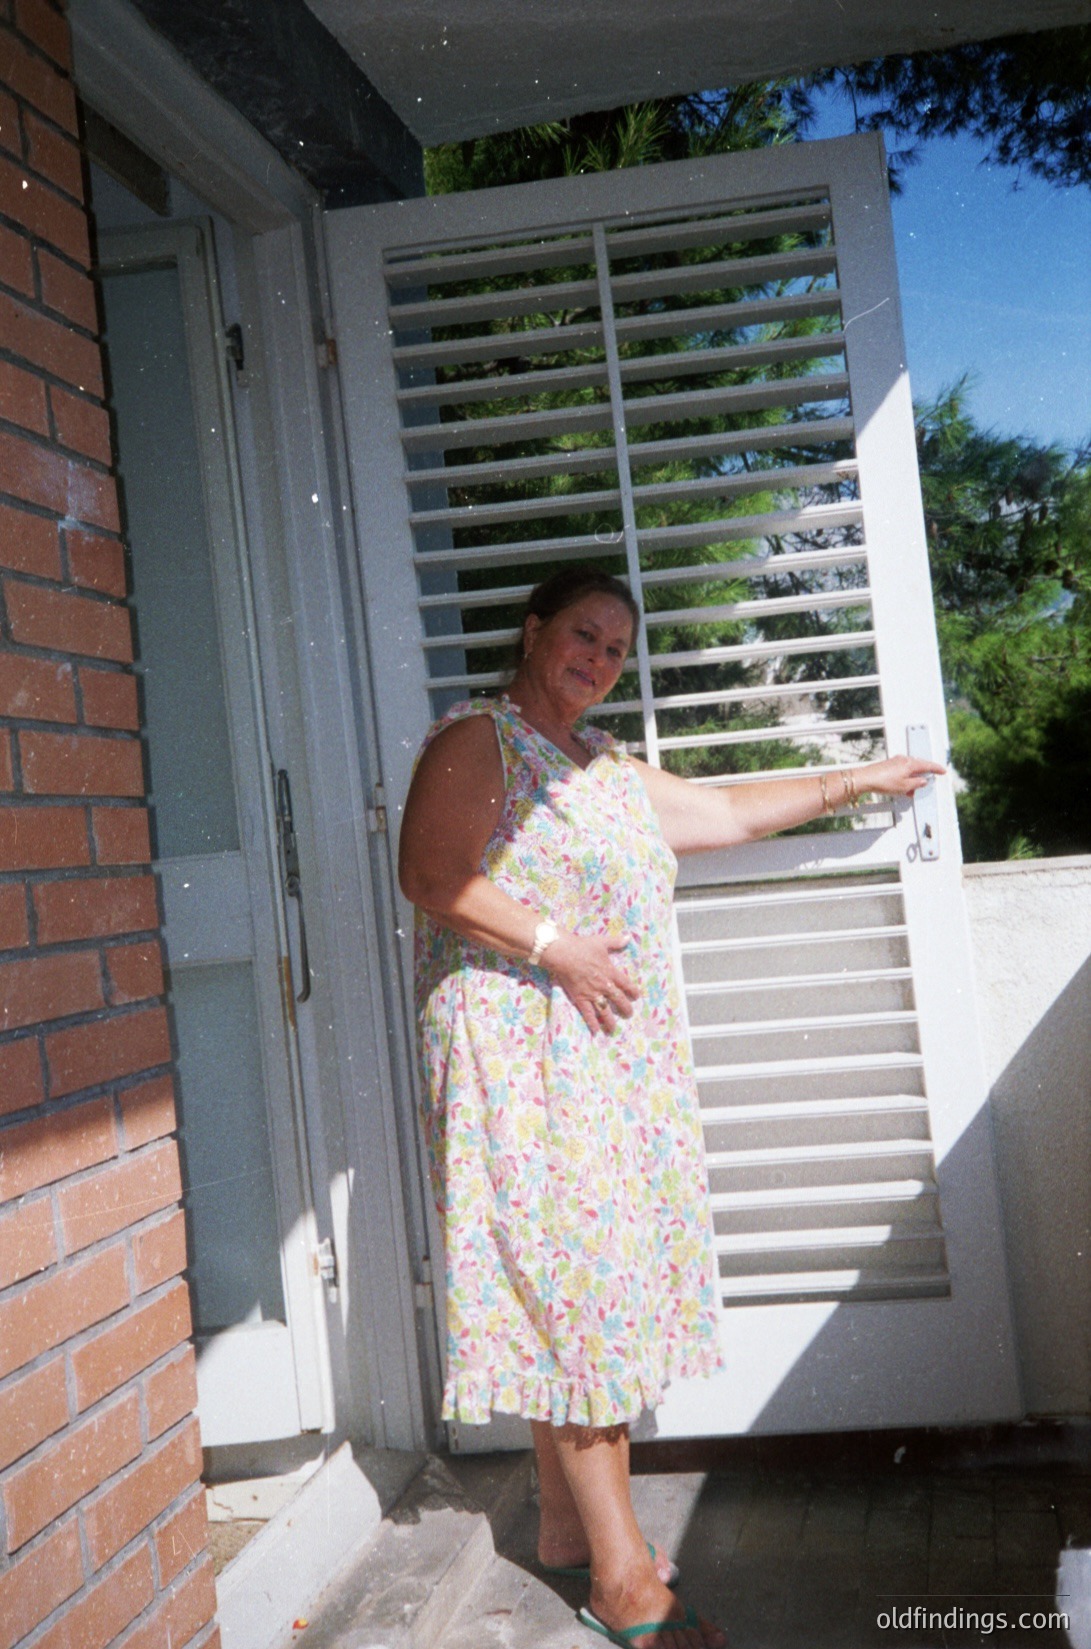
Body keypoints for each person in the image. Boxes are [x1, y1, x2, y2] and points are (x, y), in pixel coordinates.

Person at [398, 567, 943, 1649]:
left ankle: (563, 1525)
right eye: (582, 634)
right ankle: (621, 1581)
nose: (597, 658)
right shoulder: (482, 739)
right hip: (518, 1062)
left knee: (573, 1294)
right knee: (580, 1299)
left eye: (615, 647)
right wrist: (554, 943)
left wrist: (859, 781)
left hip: (594, 1065)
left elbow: (731, 812)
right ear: (532, 627)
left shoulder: (597, 764)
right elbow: (429, 872)